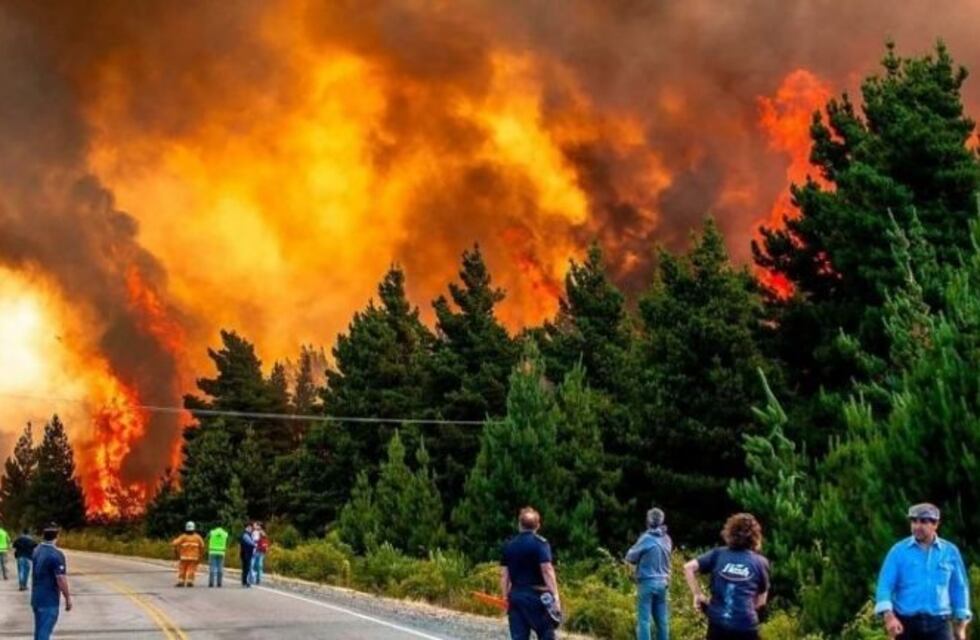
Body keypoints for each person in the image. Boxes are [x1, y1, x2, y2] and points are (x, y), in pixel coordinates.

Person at [875, 503, 972, 640]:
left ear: (935, 524)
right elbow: (884, 585)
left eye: (923, 522)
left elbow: (960, 587)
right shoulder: (898, 551)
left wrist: (961, 623)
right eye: (914, 521)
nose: (917, 526)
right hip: (906, 623)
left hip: (940, 623)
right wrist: (889, 617)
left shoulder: (950, 552)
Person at [683, 513, 770, 640]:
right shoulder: (760, 562)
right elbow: (761, 602)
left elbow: (688, 567)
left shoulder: (718, 554)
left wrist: (698, 594)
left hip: (718, 625)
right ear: (755, 536)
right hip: (746, 627)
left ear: (729, 532)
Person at [500, 506, 562, 640]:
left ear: (519, 525)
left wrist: (505, 598)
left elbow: (505, 575)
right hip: (537, 598)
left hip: (516, 597)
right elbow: (547, 570)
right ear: (537, 526)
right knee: (546, 634)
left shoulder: (509, 545)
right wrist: (556, 597)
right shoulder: (540, 544)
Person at [625, 507, 673, 640]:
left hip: (647, 583)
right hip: (663, 583)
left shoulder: (646, 538)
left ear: (648, 521)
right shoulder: (667, 539)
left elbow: (630, 557)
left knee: (644, 621)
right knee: (662, 621)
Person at [31, 523, 72, 640]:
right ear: (57, 536)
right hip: (49, 599)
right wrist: (67, 597)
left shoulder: (37, 551)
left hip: (36, 598)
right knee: (44, 632)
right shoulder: (56, 555)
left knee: (39, 631)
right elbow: (61, 578)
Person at [170, 521, 206, 587]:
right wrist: (201, 555)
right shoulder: (197, 537)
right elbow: (202, 546)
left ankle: (181, 581)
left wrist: (176, 549)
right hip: (194, 557)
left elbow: (174, 543)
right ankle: (190, 581)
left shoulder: (183, 537)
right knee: (192, 569)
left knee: (182, 569)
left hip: (184, 557)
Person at [239, 523, 256, 588]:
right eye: (249, 528)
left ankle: (244, 581)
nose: (251, 529)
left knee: (245, 568)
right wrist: (255, 545)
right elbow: (251, 543)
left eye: (251, 528)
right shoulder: (246, 535)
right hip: (246, 554)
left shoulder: (246, 534)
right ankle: (247, 582)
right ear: (247, 528)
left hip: (245, 553)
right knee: (247, 568)